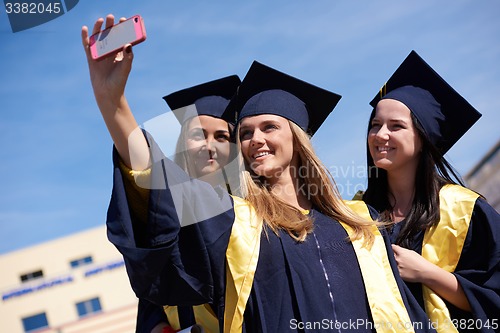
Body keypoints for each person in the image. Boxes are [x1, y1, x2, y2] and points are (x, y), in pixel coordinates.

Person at [83, 15, 435, 332]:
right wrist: (113, 103)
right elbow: (162, 182)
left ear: (297, 140)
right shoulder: (235, 222)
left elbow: (405, 313)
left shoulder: (361, 222)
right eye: (246, 133)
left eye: (269, 127)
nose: (256, 139)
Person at [362, 50, 500, 333]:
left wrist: (428, 273)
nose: (380, 134)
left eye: (396, 126)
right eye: (375, 125)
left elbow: (494, 300)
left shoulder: (466, 211)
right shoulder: (360, 213)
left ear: (423, 138)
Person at [135, 76, 241, 332]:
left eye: (221, 136)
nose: (209, 145)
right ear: (183, 144)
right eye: (199, 135)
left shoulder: (247, 211)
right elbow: (151, 301)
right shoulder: (165, 212)